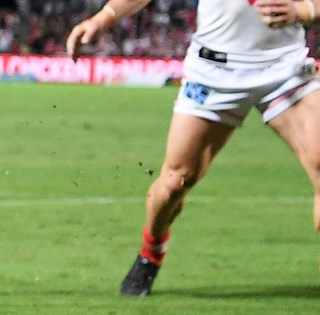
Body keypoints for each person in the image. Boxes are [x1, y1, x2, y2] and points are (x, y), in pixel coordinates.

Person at [68, 0, 320, 296]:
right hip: (213, 71)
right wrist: (104, 18)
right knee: (175, 181)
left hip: (285, 68)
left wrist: (305, 10)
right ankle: (152, 250)